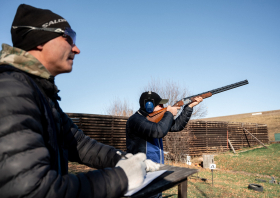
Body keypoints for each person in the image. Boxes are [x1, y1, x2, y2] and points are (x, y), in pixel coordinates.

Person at [0, 4, 159, 198]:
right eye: (69, 38)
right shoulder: (11, 90)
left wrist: (124, 159)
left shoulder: (39, 92)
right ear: (39, 39)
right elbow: (32, 190)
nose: (77, 49)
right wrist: (121, 178)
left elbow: (80, 144)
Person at [126, 91, 203, 164]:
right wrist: (169, 113)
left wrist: (189, 107)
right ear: (149, 106)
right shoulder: (135, 119)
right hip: (141, 167)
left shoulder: (154, 120)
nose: (163, 107)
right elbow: (159, 131)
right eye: (160, 105)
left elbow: (176, 126)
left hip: (156, 165)